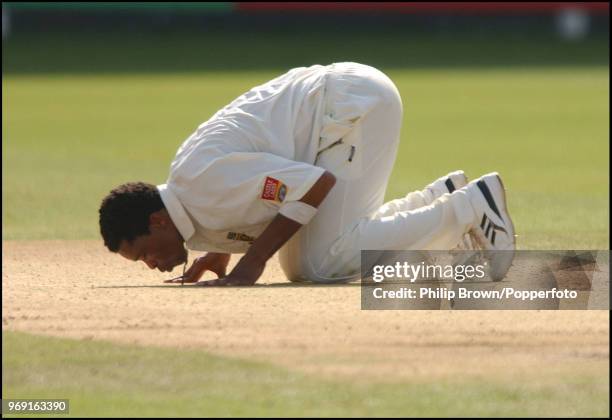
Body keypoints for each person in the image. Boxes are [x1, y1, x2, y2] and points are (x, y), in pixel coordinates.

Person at [98, 62, 516, 287]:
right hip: (342, 105)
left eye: (143, 254)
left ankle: (471, 207)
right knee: (304, 266)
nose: (150, 264)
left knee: (319, 262)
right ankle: (437, 199)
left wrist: (252, 265)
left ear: (157, 221)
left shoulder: (202, 183)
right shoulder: (197, 192)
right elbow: (254, 195)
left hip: (351, 105)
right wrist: (222, 249)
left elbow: (314, 185)